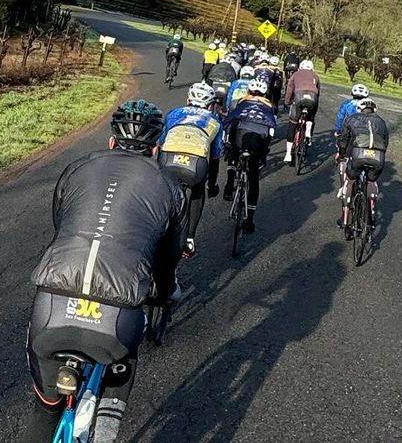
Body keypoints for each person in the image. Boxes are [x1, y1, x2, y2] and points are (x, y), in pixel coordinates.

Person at [24, 99, 185, 443]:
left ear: (111, 141)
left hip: (52, 302)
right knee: (124, 359)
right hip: (116, 317)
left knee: (45, 409)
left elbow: (61, 224)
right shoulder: (170, 186)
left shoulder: (78, 167)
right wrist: (166, 290)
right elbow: (167, 257)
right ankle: (107, 430)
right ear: (157, 148)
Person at [158, 82, 223, 258]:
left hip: (168, 157)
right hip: (196, 164)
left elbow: (161, 143)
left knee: (162, 189)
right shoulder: (216, 121)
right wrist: (212, 184)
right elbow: (215, 157)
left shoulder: (173, 113)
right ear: (210, 105)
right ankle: (190, 237)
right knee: (197, 190)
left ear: (188, 100)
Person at [223, 78, 277, 233]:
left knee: (233, 151)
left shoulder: (241, 101)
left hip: (240, 136)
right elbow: (272, 129)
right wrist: (264, 152)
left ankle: (229, 184)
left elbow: (230, 121)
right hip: (258, 139)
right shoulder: (269, 105)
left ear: (249, 91)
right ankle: (250, 220)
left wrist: (227, 142)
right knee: (253, 179)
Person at [336, 97, 389, 240]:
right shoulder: (381, 122)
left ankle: (346, 220)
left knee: (350, 180)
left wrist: (341, 154)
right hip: (377, 156)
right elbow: (385, 142)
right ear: (374, 110)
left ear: (359, 109)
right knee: (371, 181)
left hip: (358, 153)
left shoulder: (353, 118)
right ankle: (371, 214)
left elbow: (343, 139)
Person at [283, 58, 320, 164]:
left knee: (292, 124)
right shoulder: (316, 76)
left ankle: (288, 154)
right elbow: (319, 93)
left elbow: (289, 89)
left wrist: (287, 102)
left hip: (299, 97)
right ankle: (308, 131)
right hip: (313, 98)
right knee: (311, 115)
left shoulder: (295, 74)